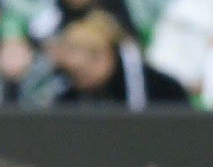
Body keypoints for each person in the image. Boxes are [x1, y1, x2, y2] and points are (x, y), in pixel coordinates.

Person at [52, 11, 187, 109]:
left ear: (105, 56)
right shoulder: (68, 97)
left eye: (81, 71)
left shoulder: (164, 91)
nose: (77, 79)